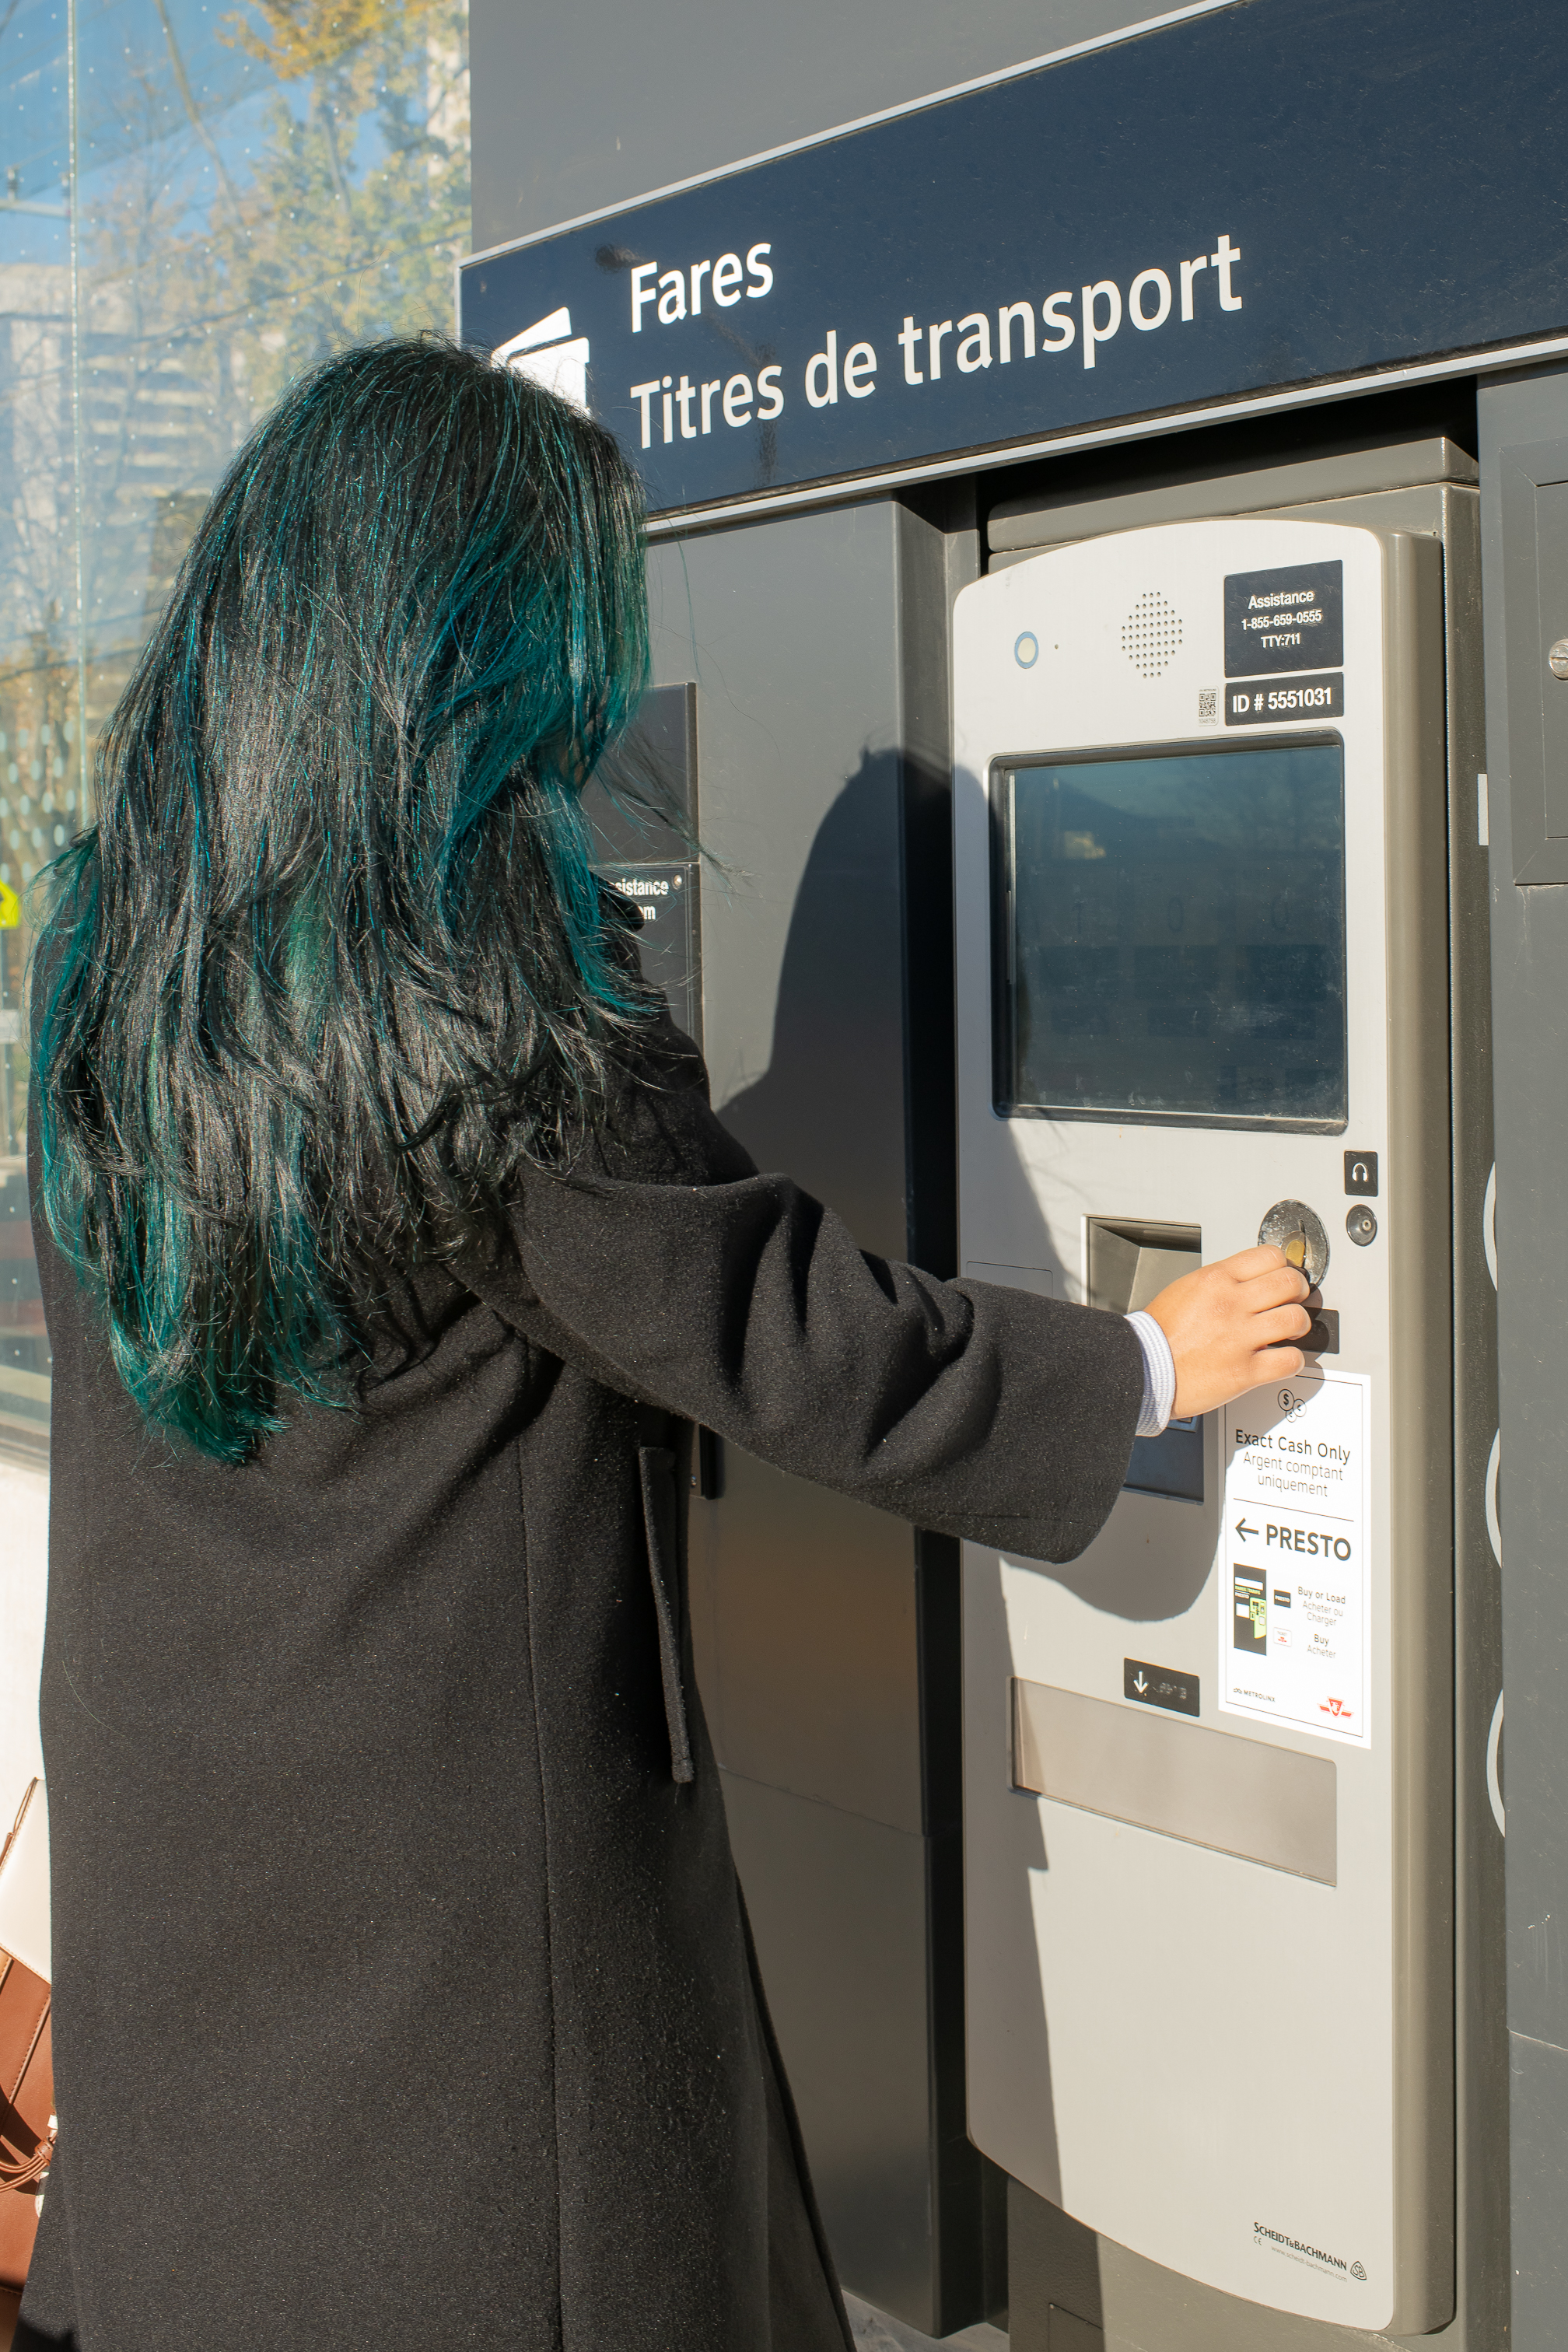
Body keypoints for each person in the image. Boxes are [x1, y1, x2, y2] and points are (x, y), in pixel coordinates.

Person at [19, 338, 1310, 2352]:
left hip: (190, 1827)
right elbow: (779, 1328)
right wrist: (1143, 1362)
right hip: (447, 1898)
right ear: (468, 648)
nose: (601, 692)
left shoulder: (126, 957)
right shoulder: (465, 987)